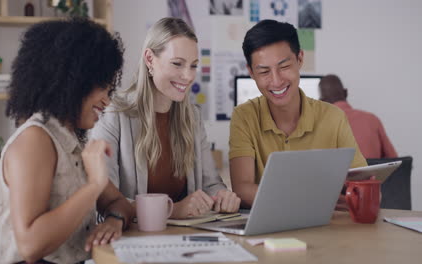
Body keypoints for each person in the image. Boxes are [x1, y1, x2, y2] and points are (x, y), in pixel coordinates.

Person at [0, 18, 134, 264]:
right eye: (101, 87)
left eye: (109, 89)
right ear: (72, 81)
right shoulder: (35, 141)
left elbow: (117, 202)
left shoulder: (71, 141)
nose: (107, 100)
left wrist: (114, 220)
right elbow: (30, 246)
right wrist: (93, 185)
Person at [90, 17, 240, 219]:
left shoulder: (192, 117)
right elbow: (104, 200)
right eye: (177, 64)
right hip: (133, 239)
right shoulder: (114, 113)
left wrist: (222, 196)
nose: (188, 76)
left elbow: (211, 184)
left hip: (184, 239)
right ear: (150, 59)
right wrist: (172, 211)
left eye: (193, 66)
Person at [229, 19, 367, 209]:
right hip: (269, 230)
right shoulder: (244, 116)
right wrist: (310, 200)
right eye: (264, 72)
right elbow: (242, 188)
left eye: (284, 67)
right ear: (251, 72)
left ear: (300, 59)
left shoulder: (333, 117)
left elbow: (363, 183)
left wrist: (361, 195)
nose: (276, 81)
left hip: (325, 230)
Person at [319, 74, 398, 159]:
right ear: (345, 93)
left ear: (322, 101)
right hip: (373, 172)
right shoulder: (373, 119)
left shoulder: (321, 127)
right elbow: (395, 160)